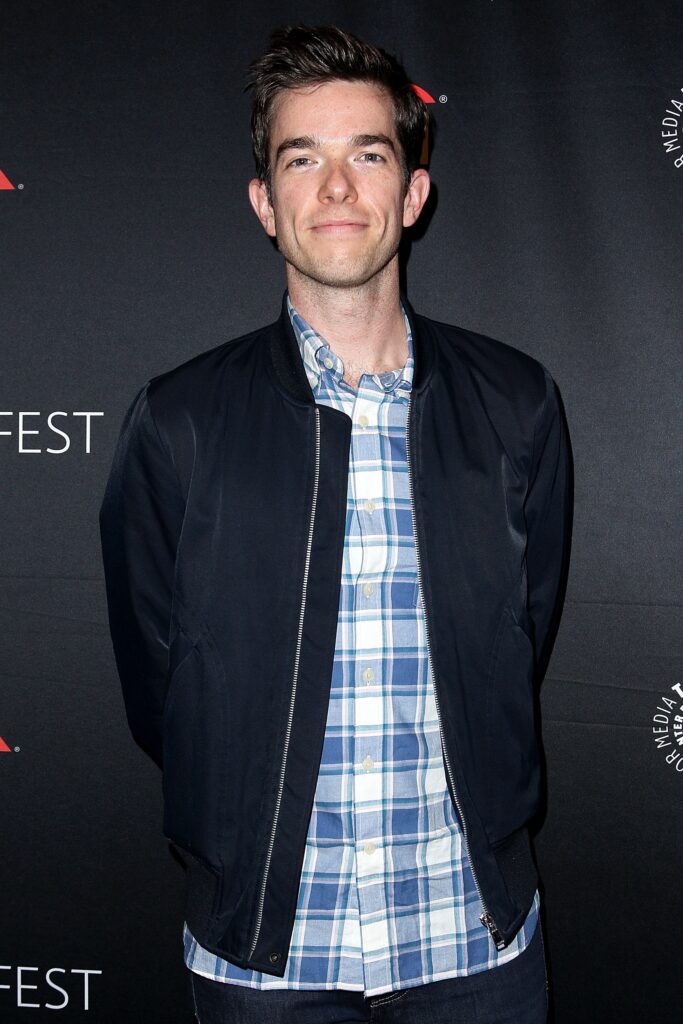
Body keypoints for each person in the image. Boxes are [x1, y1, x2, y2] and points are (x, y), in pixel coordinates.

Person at [99, 22, 572, 1024]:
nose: (338, 187)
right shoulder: (179, 418)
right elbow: (159, 686)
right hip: (262, 956)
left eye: (369, 154)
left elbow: (515, 641)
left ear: (413, 192)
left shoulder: (515, 402)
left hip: (471, 943)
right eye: (300, 159)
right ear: (265, 203)